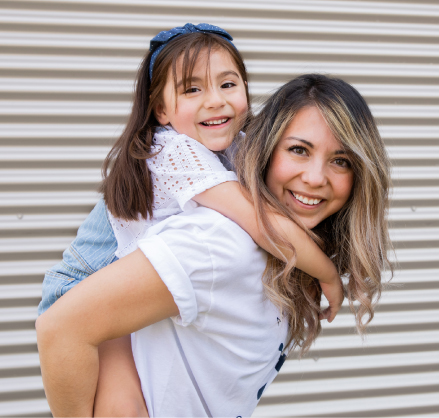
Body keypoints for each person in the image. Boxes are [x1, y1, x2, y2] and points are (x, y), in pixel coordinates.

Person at [36, 74, 393, 417]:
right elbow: (61, 328)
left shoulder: (279, 256)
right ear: (265, 151)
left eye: (340, 161)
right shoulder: (219, 241)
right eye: (298, 150)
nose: (315, 178)